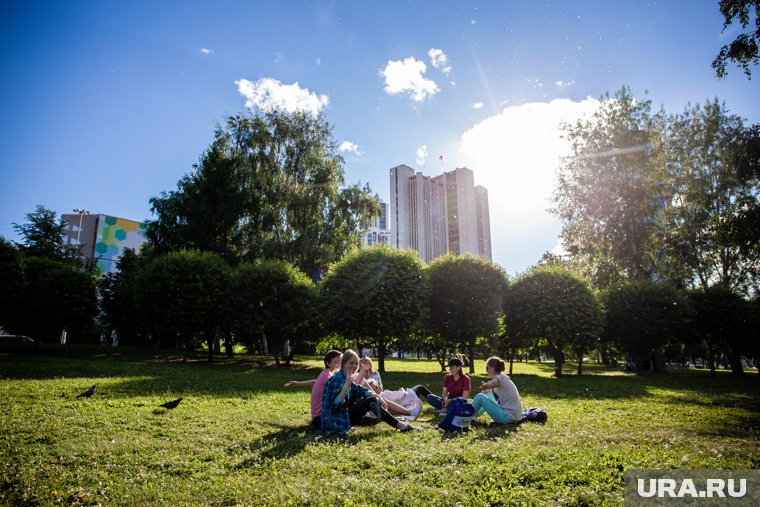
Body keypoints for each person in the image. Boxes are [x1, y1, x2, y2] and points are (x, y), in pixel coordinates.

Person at [319, 349, 419, 435]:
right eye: (351, 363)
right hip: (333, 423)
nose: (354, 366)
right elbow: (334, 406)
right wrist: (346, 386)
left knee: (371, 398)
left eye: (356, 363)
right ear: (343, 364)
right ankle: (400, 425)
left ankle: (400, 424)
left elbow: (360, 389)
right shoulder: (336, 380)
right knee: (370, 401)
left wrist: (378, 396)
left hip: (342, 417)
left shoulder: (346, 377)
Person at [284, 350, 342, 429]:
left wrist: (297, 383)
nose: (339, 364)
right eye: (336, 362)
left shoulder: (326, 373)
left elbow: (314, 382)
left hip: (318, 418)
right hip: (321, 419)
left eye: (340, 362)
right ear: (328, 363)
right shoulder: (327, 376)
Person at [353, 356, 422, 420]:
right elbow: (362, 390)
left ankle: (409, 411)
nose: (355, 366)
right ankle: (408, 412)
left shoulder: (374, 374)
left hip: (379, 394)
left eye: (356, 363)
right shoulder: (355, 377)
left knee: (381, 397)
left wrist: (377, 391)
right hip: (366, 403)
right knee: (380, 398)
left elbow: (376, 390)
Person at [471, 356, 522, 425]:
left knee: (480, 397)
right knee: (486, 394)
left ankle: (466, 416)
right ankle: (473, 416)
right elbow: (490, 390)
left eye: (487, 368)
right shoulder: (503, 378)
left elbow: (493, 383)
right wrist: (486, 388)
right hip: (514, 417)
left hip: (507, 417)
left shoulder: (499, 377)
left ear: (492, 368)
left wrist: (486, 385)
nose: (486, 370)